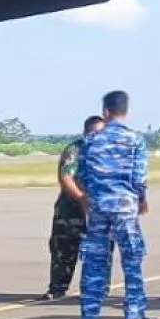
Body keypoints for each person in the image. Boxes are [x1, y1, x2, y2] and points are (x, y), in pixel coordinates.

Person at [77, 90, 158, 319]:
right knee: (132, 260)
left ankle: (89, 315)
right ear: (126, 110)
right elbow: (139, 177)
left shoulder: (91, 140)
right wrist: (141, 199)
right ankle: (133, 316)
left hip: (98, 206)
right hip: (125, 207)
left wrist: (95, 195)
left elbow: (82, 176)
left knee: (94, 260)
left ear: (106, 111)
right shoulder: (135, 139)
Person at [37, 115, 104, 300]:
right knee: (63, 249)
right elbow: (66, 177)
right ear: (85, 133)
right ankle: (57, 287)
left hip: (99, 211)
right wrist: (82, 199)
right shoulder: (74, 150)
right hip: (71, 210)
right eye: (94, 133)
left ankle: (97, 289)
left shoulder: (109, 152)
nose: (97, 137)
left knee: (99, 251)